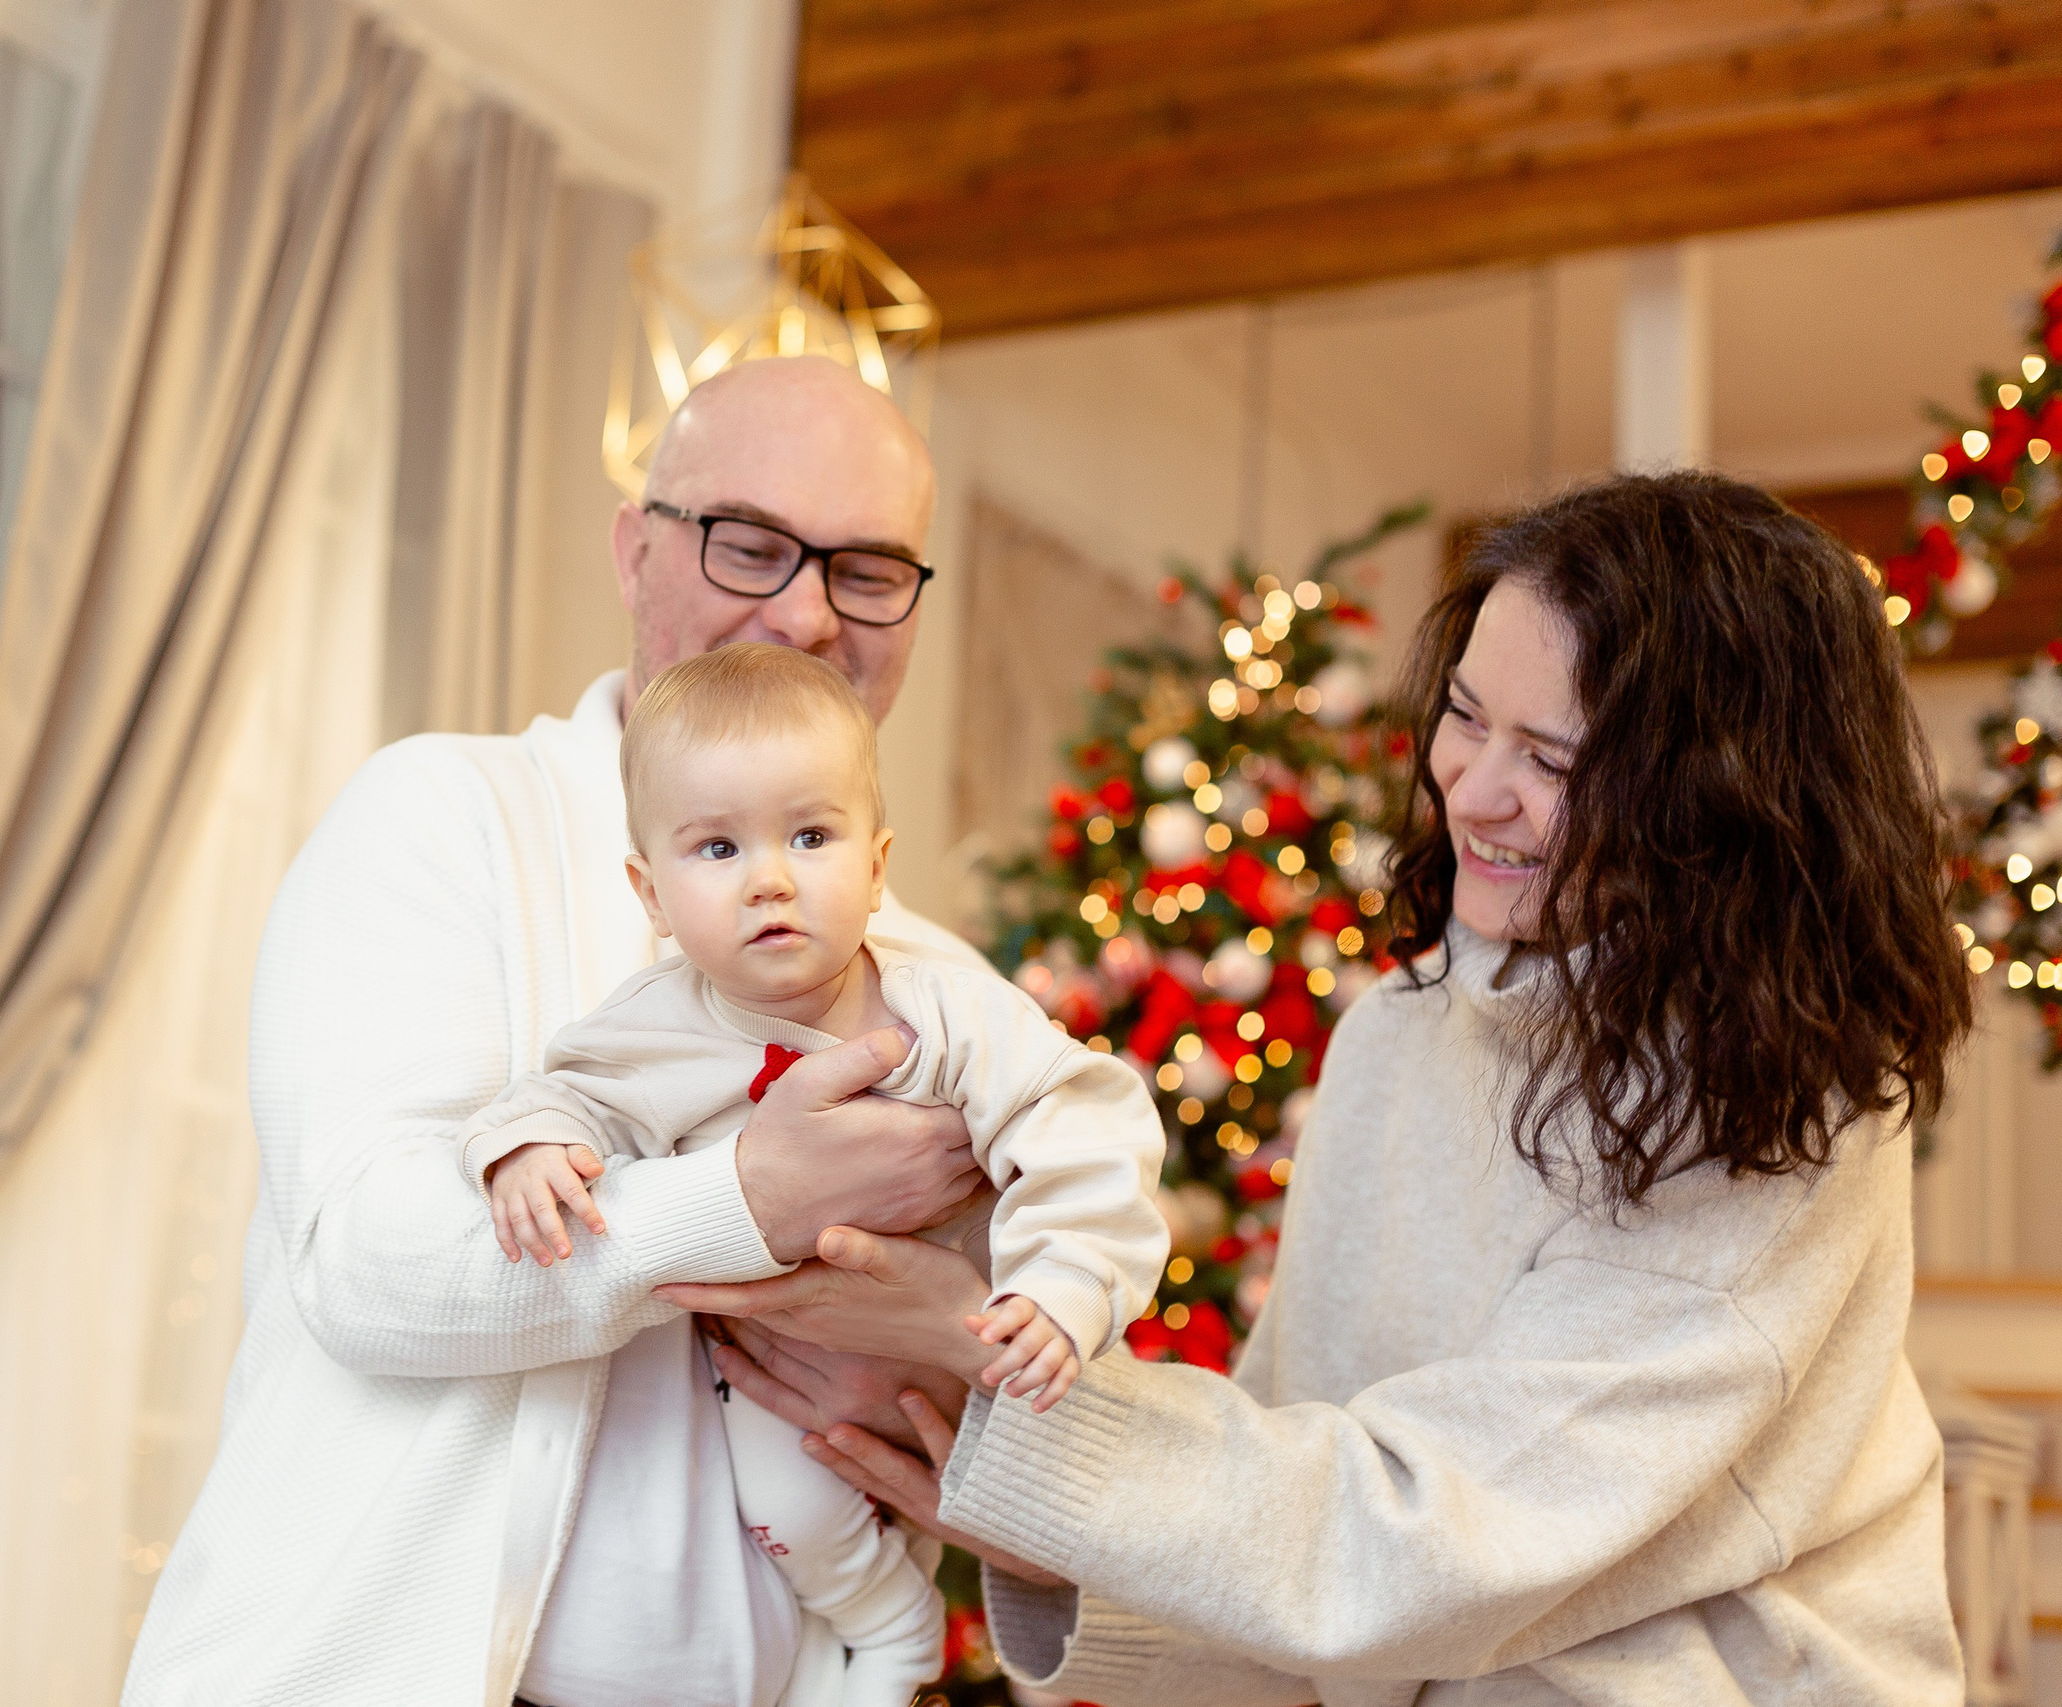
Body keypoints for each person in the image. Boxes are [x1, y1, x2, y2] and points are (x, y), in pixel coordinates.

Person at [671, 472, 1976, 1706]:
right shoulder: (1400, 1034)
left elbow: (1433, 1536)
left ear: (1715, 798)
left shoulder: (1774, 1111)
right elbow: (1306, 1536)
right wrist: (1044, 1529)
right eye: (1464, 716)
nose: (1472, 786)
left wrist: (992, 1363)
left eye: (1555, 759)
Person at [122, 355, 989, 1707]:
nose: (810, 610)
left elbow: (992, 1358)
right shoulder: (442, 818)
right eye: (750, 543)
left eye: (869, 570)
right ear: (637, 550)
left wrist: (952, 1348)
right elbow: (369, 1261)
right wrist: (753, 1198)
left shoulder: (935, 984)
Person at [466, 642, 1170, 1704]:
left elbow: (1086, 1125)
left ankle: (894, 1630)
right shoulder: (648, 1029)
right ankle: (890, 1629)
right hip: (776, 1373)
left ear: (878, 865)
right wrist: (522, 1151)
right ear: (649, 894)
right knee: (793, 1509)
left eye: (810, 834)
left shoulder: (943, 1012)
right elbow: (558, 1096)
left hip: (966, 1362)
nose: (771, 879)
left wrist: (1063, 1284)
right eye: (716, 847)